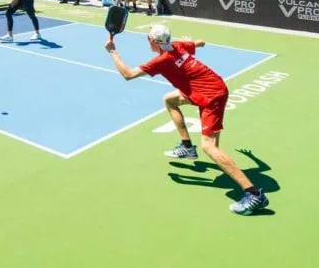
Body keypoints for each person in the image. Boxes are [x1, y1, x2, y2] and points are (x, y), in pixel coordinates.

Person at [103, 25, 270, 216]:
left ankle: (254, 194)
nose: (147, 40)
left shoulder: (163, 60)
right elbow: (201, 42)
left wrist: (113, 51)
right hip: (204, 88)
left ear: (154, 42)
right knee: (169, 100)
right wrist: (190, 41)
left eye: (148, 38)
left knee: (209, 146)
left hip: (211, 96)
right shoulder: (177, 46)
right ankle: (187, 147)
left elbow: (128, 74)